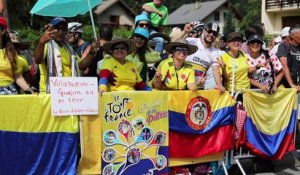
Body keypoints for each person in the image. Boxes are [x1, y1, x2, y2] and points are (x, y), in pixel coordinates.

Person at [34, 17, 82, 93]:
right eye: (57, 28)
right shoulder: (46, 46)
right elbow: (37, 60)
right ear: (51, 30)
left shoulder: (69, 49)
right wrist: (41, 43)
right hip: (49, 93)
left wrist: (91, 52)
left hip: (68, 93)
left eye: (64, 29)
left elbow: (81, 65)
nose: (61, 32)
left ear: (67, 31)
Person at [213, 32, 256, 96]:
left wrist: (257, 66)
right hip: (233, 93)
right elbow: (226, 80)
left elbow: (247, 70)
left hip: (247, 92)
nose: (236, 43)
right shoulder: (223, 57)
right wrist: (224, 68)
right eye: (233, 40)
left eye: (239, 41)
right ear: (227, 43)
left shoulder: (243, 54)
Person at [0, 17, 34, 95]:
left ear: (3, 31)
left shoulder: (11, 52)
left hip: (8, 92)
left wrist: (28, 90)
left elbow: (18, 76)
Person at [185, 23, 221, 89]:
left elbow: (216, 70)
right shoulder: (191, 41)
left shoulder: (215, 51)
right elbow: (173, 43)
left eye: (214, 33)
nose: (211, 35)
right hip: (184, 84)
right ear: (204, 31)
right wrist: (184, 32)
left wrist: (219, 85)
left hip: (199, 87)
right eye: (209, 31)